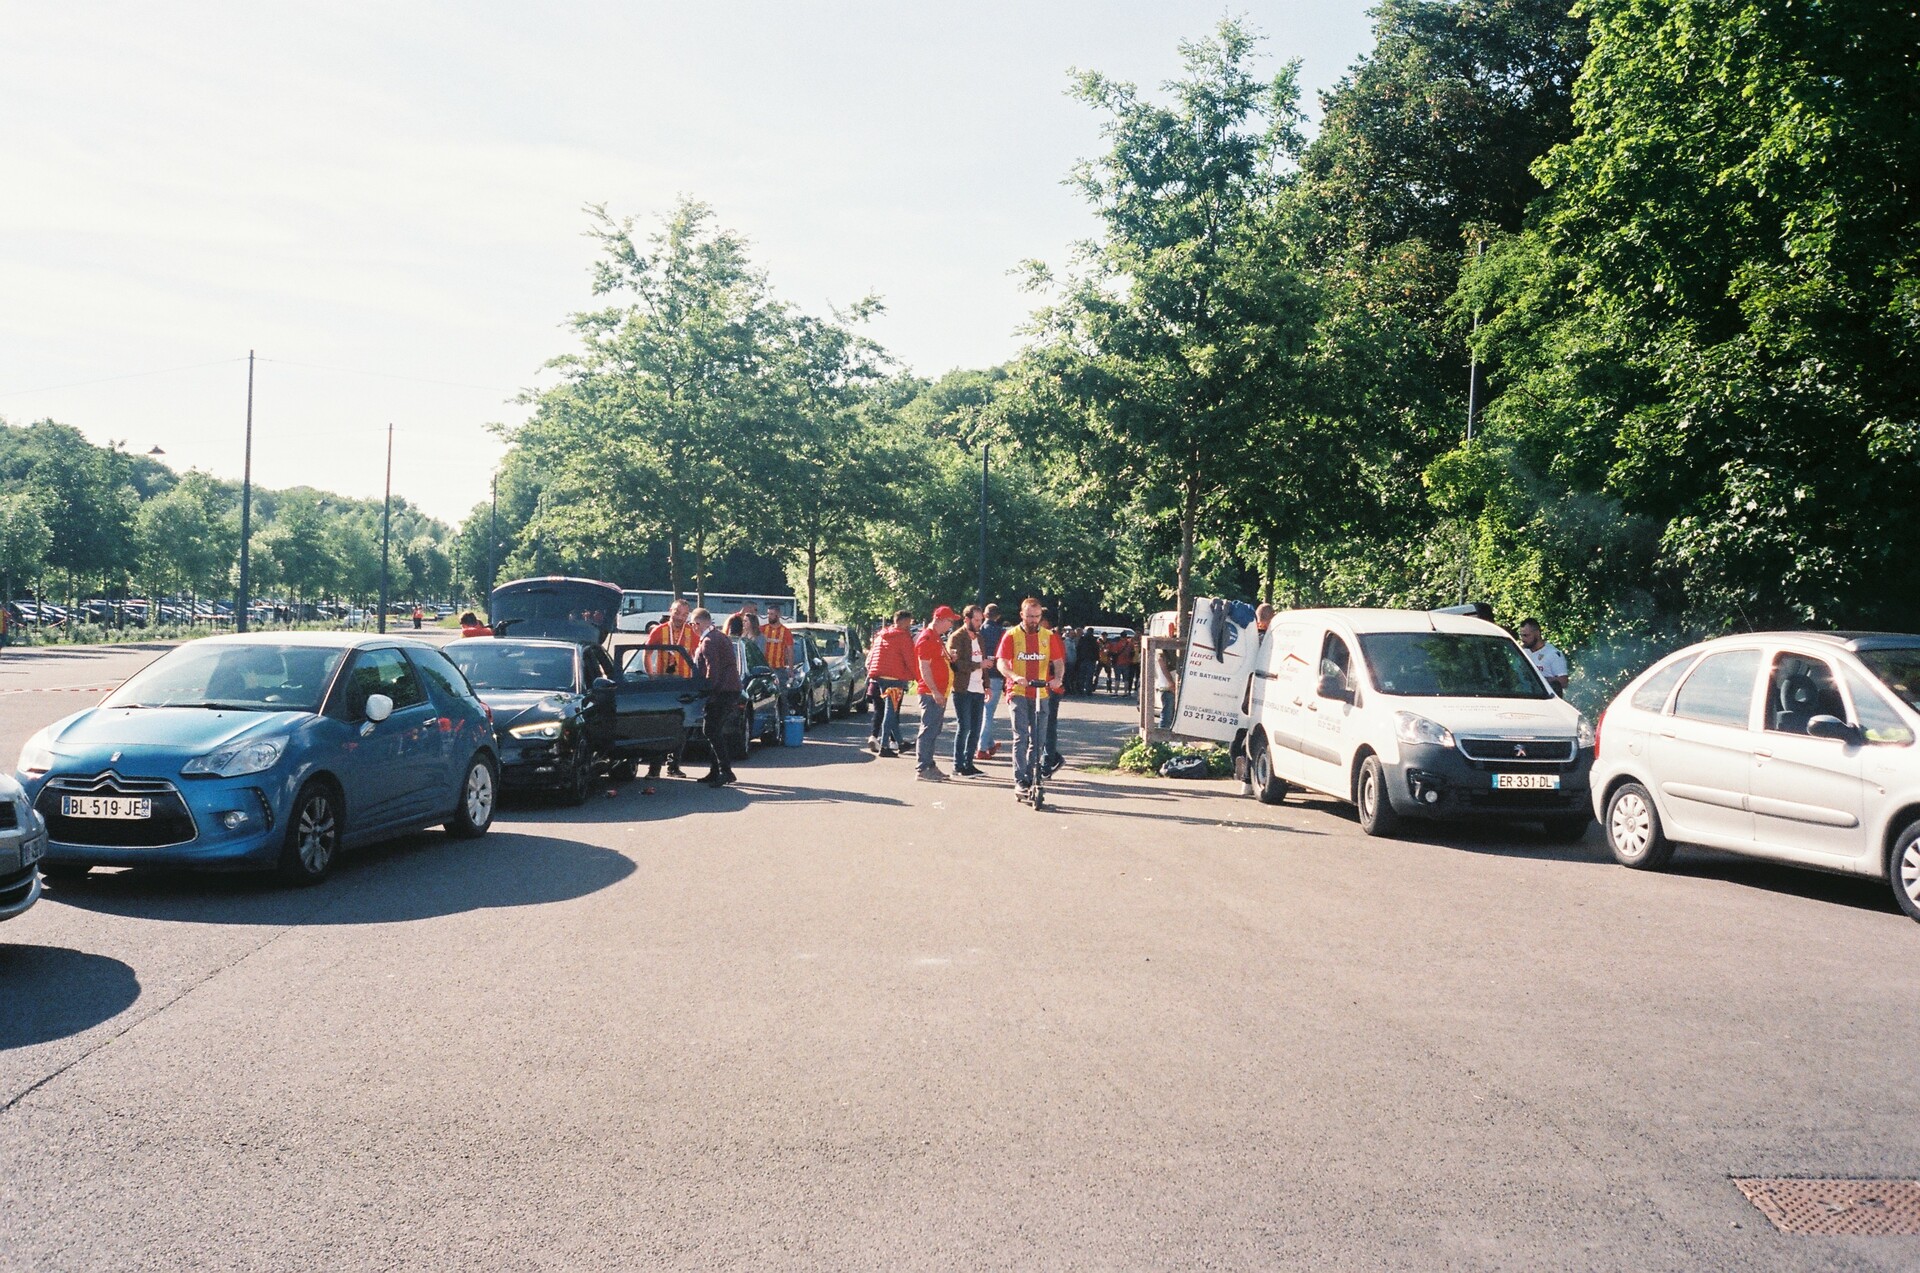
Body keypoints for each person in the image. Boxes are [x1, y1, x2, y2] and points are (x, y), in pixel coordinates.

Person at [996, 597, 1066, 797]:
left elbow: (1059, 661)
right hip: (1018, 691)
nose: (1033, 620)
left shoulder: (1048, 636)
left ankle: (1032, 775)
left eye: (1036, 616)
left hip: (1041, 692)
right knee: (1021, 736)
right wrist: (1014, 676)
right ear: (1022, 615)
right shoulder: (1011, 636)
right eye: (1029, 616)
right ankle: (1020, 779)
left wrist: (1058, 678)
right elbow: (1002, 662)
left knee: (1039, 738)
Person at [689, 607, 740, 787]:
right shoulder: (720, 636)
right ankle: (715, 770)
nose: (692, 628)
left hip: (722, 692)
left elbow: (713, 670)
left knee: (710, 730)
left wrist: (708, 693)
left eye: (692, 624)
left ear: (697, 624)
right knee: (714, 730)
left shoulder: (708, 641)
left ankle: (725, 771)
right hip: (730, 689)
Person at [913, 605, 958, 781]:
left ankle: (929, 765)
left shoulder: (936, 637)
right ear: (939, 619)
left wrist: (949, 658)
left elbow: (936, 662)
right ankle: (923, 768)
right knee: (928, 730)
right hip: (931, 693)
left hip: (939, 692)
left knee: (933, 730)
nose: (951, 625)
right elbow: (924, 667)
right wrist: (935, 692)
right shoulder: (927, 638)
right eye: (949, 621)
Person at [869, 610, 917, 758]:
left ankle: (901, 743)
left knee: (891, 711)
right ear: (902, 622)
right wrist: (917, 676)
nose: (910, 627)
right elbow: (909, 659)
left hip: (880, 676)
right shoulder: (903, 637)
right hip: (895, 677)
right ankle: (884, 746)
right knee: (890, 712)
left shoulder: (882, 635)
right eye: (909, 623)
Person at [947, 604, 988, 776]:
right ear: (967, 619)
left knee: (976, 728)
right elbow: (956, 664)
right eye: (977, 620)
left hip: (978, 688)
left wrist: (987, 685)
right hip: (963, 688)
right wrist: (978, 665)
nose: (979, 623)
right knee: (964, 727)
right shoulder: (957, 637)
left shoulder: (979, 638)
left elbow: (984, 663)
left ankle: (969, 762)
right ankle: (958, 764)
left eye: (981, 620)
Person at [976, 603, 1007, 760]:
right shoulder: (1001, 633)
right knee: (988, 712)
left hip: (977, 674)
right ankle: (981, 748)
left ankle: (989, 744)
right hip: (995, 674)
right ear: (998, 616)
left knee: (980, 711)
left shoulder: (978, 631)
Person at [644, 598, 700, 675]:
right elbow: (647, 654)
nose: (680, 618)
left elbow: (698, 658)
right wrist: (651, 676)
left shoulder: (692, 632)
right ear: (670, 611)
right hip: (663, 682)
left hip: (685, 683)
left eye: (684, 615)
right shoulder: (658, 631)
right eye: (677, 613)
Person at [1518, 618, 1570, 695]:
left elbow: (1564, 681)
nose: (1523, 639)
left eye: (1526, 635)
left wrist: (1540, 681)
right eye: (1521, 636)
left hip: (1545, 698)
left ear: (1537, 633)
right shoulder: (1522, 652)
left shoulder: (1553, 654)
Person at [1155, 618, 1181, 730]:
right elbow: (1164, 667)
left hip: (1168, 685)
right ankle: (1163, 736)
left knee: (1169, 713)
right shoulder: (1162, 652)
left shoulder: (1163, 651)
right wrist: (1171, 682)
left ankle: (1165, 736)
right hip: (1167, 685)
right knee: (1167, 714)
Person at [761, 603, 794, 671]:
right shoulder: (762, 629)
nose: (769, 616)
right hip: (764, 668)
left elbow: (790, 651)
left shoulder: (786, 631)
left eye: (772, 614)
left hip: (779, 668)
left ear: (778, 615)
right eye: (768, 613)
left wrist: (791, 669)